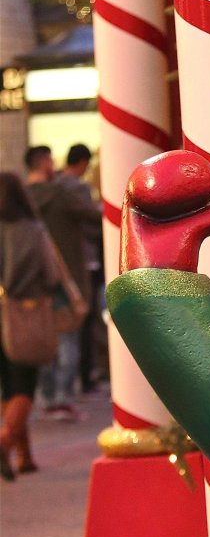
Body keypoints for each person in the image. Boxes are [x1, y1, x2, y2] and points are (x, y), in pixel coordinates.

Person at [25, 144, 102, 418]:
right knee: (69, 336)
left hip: (35, 278)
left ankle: (48, 397)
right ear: (45, 163)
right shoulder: (60, 193)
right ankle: (63, 396)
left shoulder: (22, 197)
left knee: (46, 339)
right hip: (67, 273)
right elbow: (92, 215)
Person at [0, 172, 60, 478]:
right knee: (24, 385)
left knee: (7, 388)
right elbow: (51, 274)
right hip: (23, 313)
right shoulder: (32, 230)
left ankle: (24, 456)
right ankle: (5, 441)